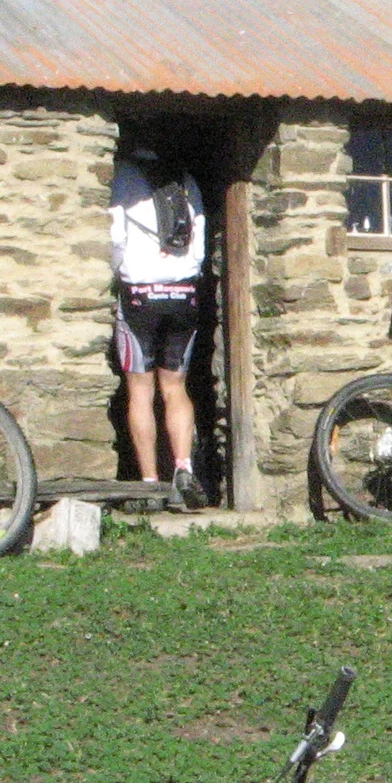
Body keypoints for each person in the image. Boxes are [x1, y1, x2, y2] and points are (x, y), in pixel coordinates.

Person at [109, 145, 213, 510]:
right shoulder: (186, 180)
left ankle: (149, 483)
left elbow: (116, 237)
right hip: (183, 293)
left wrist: (118, 272)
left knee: (140, 390)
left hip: (140, 293)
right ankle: (183, 467)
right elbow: (199, 243)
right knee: (175, 386)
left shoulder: (123, 177)